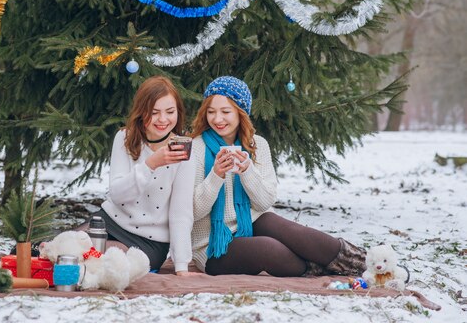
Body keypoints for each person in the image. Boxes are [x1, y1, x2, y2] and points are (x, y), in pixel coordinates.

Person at [189, 76, 366, 277]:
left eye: (225, 112)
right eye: (211, 112)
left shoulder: (258, 145)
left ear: (241, 113)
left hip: (251, 222)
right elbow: (192, 211)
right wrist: (216, 175)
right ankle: (323, 267)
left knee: (295, 232)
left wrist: (248, 172)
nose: (217, 119)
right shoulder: (196, 149)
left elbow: (264, 203)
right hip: (212, 245)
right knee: (271, 249)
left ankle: (369, 264)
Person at [89, 76, 196, 276]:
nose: (163, 120)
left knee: (103, 262)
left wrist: (181, 267)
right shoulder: (125, 138)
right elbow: (118, 195)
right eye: (154, 113)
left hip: (150, 240)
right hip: (111, 222)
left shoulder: (184, 151)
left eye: (170, 112)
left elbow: (181, 213)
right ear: (141, 112)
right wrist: (151, 164)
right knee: (62, 250)